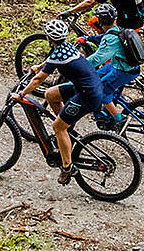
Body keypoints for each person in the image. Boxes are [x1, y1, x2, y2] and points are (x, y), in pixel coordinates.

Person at [12, 17, 105, 185]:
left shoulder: (58, 52)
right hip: (88, 87)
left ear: (49, 38)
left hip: (88, 94)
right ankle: (66, 130)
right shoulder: (65, 46)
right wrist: (38, 66)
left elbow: (38, 80)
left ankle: (67, 168)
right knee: (50, 95)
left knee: (57, 127)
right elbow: (51, 60)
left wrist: (22, 94)